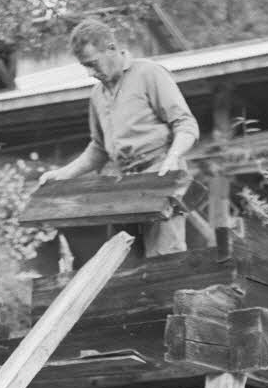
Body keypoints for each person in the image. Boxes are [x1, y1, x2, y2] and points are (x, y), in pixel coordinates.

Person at [36, 18, 199, 257]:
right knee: (126, 266)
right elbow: (99, 149)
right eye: (85, 66)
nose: (91, 73)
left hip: (161, 178)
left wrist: (173, 157)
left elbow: (185, 124)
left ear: (111, 48)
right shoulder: (97, 95)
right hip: (123, 188)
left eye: (93, 64)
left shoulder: (149, 73)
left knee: (166, 261)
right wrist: (61, 174)